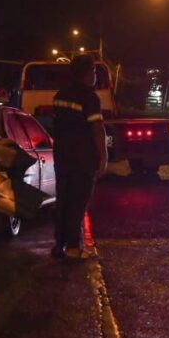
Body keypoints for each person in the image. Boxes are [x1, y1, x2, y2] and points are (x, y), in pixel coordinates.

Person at [51, 54, 108, 259]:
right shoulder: (90, 98)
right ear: (86, 74)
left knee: (63, 199)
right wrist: (103, 157)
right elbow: (97, 129)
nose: (95, 75)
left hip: (62, 155)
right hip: (83, 158)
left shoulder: (60, 95)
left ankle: (59, 245)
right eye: (93, 71)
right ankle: (74, 248)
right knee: (78, 202)